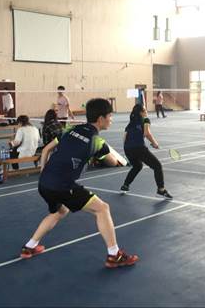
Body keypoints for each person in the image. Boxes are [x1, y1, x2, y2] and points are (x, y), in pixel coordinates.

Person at [21, 98, 139, 268]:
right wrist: (120, 161)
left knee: (59, 211)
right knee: (102, 209)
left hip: (44, 183)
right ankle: (114, 255)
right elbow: (112, 162)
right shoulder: (98, 142)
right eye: (110, 116)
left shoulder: (70, 129)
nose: (111, 119)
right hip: (62, 186)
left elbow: (46, 150)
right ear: (101, 119)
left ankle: (29, 246)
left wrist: (44, 172)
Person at [120, 104, 173, 199]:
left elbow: (124, 137)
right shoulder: (146, 120)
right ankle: (161, 190)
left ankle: (125, 185)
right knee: (157, 166)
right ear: (141, 112)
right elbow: (147, 133)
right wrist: (155, 143)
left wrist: (128, 150)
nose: (146, 111)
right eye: (145, 110)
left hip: (127, 149)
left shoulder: (130, 123)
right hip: (139, 148)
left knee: (137, 166)